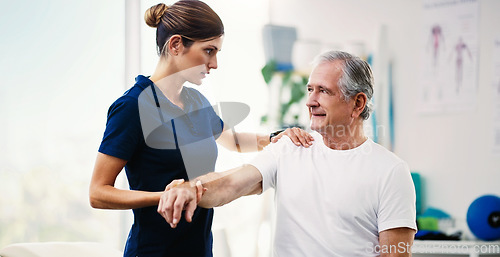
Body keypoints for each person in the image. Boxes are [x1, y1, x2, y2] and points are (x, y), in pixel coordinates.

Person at [88, 1, 312, 256]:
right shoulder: (132, 107)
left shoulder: (195, 101)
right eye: (208, 51)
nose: (214, 63)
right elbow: (98, 193)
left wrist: (275, 138)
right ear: (175, 45)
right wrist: (166, 196)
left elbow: (233, 140)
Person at [158, 51, 417, 256]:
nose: (310, 101)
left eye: (323, 91)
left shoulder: (390, 171)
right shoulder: (291, 147)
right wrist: (192, 188)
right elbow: (230, 184)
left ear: (357, 103)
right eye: (309, 89)